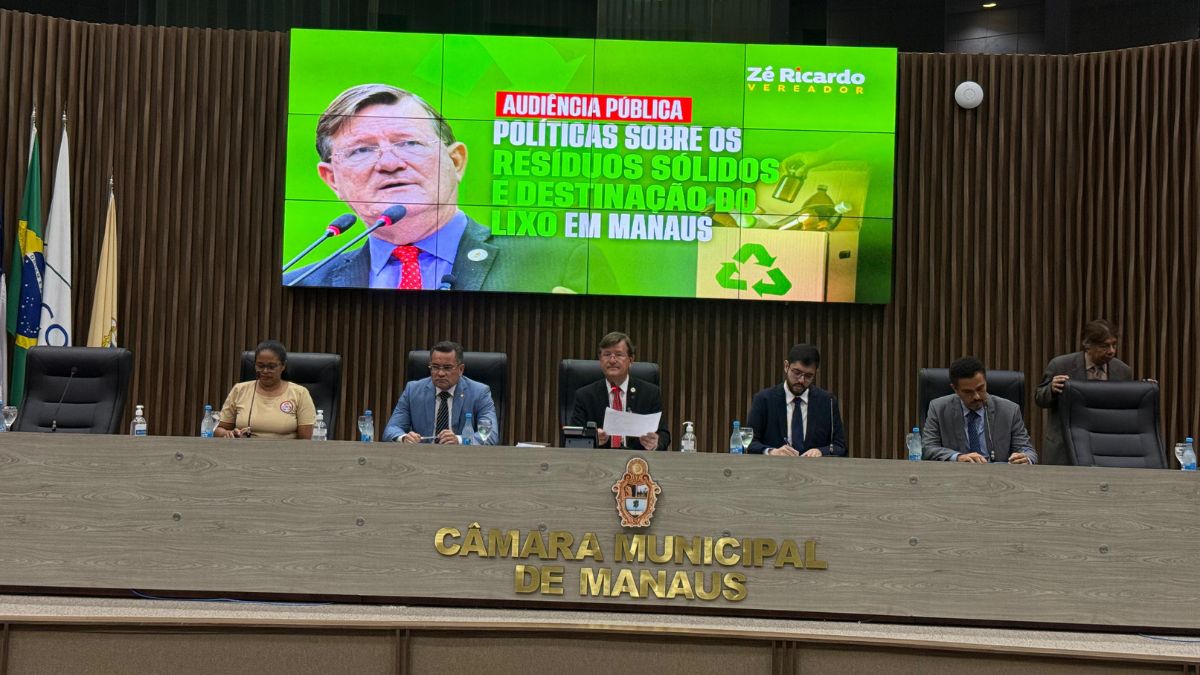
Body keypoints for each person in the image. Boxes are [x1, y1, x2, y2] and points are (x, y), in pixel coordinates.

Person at [284, 83, 608, 293]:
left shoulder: (556, 264)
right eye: (362, 150)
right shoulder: (300, 283)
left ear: (456, 161)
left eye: (409, 143)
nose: (389, 163)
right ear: (332, 179)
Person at [1034, 319, 1134, 465]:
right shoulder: (1061, 365)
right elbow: (1039, 398)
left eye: (1114, 345)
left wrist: (1144, 389)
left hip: (1106, 447)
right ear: (1088, 345)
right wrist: (1051, 389)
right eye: (1105, 346)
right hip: (1065, 448)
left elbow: (1128, 408)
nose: (1112, 351)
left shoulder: (1122, 371)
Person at [922, 356, 1037, 464]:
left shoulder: (1009, 410)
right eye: (968, 392)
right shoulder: (939, 408)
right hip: (955, 475)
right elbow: (927, 448)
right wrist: (957, 457)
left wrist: (1026, 458)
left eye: (980, 388)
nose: (976, 396)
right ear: (955, 389)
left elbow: (1027, 450)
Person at [382, 341, 499, 444]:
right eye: (435, 367)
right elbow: (391, 429)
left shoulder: (480, 393)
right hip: (422, 457)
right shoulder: (412, 390)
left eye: (447, 368)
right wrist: (404, 438)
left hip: (462, 458)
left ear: (461, 369)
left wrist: (460, 440)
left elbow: (491, 435)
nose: (440, 373)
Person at [569, 332, 670, 451]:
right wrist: (592, 438)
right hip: (599, 459)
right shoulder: (585, 396)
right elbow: (573, 438)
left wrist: (656, 442)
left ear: (631, 360)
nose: (612, 360)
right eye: (607, 354)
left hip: (637, 460)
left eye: (619, 354)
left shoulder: (650, 393)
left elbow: (664, 435)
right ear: (600, 359)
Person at [746, 343, 846, 456]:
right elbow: (749, 443)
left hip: (814, 467)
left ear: (816, 373)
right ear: (786, 366)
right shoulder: (764, 399)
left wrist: (821, 451)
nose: (801, 380)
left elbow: (840, 447)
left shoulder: (827, 402)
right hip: (774, 466)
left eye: (808, 376)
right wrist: (771, 451)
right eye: (797, 373)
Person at [216, 340, 316, 439]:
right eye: (260, 366)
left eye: (271, 367)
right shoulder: (239, 390)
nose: (265, 371)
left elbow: (305, 440)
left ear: (283, 366)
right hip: (245, 448)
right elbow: (219, 429)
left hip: (285, 449)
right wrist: (228, 433)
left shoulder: (300, 393)